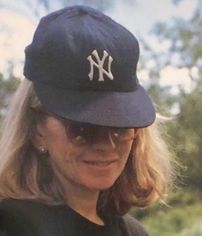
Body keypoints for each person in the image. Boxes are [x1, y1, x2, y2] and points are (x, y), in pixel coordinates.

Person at [0, 5, 174, 236]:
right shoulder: (11, 225)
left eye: (119, 127)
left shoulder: (132, 232)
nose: (106, 145)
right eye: (82, 128)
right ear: (37, 130)